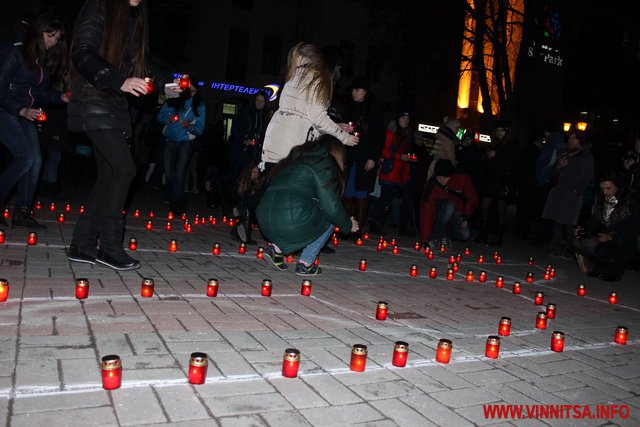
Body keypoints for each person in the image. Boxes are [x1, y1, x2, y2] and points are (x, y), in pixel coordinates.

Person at [67, 0, 177, 270]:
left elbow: (139, 64)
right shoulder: (100, 6)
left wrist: (169, 81)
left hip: (113, 105)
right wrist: (118, 80)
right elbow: (82, 53)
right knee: (124, 169)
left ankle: (81, 244)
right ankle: (109, 246)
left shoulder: (134, 17)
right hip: (93, 100)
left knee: (109, 174)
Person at [0, 13, 69, 228]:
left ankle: (22, 212)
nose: (52, 42)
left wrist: (61, 97)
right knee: (25, 158)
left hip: (23, 112)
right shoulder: (14, 51)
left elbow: (39, 93)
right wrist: (20, 110)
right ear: (39, 32)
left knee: (36, 160)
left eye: (57, 39)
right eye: (50, 36)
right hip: (5, 110)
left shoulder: (40, 60)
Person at [256, 135, 358, 275]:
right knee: (330, 216)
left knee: (295, 209)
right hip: (290, 218)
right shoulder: (325, 163)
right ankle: (306, 263)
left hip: (264, 218)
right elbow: (331, 207)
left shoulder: (294, 159)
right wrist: (347, 224)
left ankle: (276, 249)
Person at [260, 42, 358, 172]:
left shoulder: (297, 74)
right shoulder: (319, 78)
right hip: (293, 148)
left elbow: (301, 114)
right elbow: (317, 118)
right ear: (334, 65)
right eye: (340, 68)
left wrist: (335, 126)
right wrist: (346, 138)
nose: (340, 73)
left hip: (276, 141)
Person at [573, 171, 639, 281]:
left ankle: (614, 268)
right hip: (605, 236)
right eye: (603, 188)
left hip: (623, 240)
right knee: (577, 242)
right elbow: (595, 219)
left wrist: (612, 236)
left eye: (609, 188)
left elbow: (633, 227)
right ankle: (599, 265)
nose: (605, 192)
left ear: (618, 186)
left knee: (601, 246)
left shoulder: (631, 202)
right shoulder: (603, 200)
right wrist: (582, 229)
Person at [343, 77, 386, 235]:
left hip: (365, 155)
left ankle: (358, 229)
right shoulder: (349, 108)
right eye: (353, 90)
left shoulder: (374, 110)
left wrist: (373, 158)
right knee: (348, 190)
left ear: (365, 92)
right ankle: (347, 226)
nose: (355, 93)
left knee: (361, 191)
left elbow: (380, 136)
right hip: (350, 154)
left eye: (358, 90)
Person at [542, 131, 594, 259]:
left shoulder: (586, 156)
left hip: (573, 193)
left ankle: (569, 249)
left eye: (574, 139)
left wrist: (578, 190)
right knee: (557, 221)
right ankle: (556, 248)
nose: (571, 141)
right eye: (570, 138)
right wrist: (560, 166)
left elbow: (589, 176)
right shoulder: (565, 153)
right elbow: (554, 173)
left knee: (570, 222)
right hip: (561, 191)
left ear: (580, 141)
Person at [157, 84, 205, 214]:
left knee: (180, 172)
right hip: (170, 140)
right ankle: (178, 196)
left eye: (193, 91)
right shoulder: (172, 101)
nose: (190, 93)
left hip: (186, 142)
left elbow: (200, 128)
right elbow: (159, 117)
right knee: (168, 172)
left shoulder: (199, 106)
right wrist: (169, 119)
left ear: (197, 92)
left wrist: (189, 126)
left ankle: (175, 204)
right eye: (188, 90)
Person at [369, 110, 416, 236]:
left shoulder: (406, 134)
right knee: (385, 199)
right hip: (390, 172)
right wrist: (400, 156)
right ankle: (374, 223)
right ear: (397, 119)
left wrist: (410, 159)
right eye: (403, 118)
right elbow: (383, 151)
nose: (406, 121)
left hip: (401, 174)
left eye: (407, 118)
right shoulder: (390, 133)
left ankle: (402, 225)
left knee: (408, 198)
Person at [475, 121, 518, 246]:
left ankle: (498, 236)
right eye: (498, 130)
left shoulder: (512, 144)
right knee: (485, 205)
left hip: (503, 179)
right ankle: (483, 233)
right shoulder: (494, 143)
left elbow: (512, 162)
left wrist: (497, 155)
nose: (499, 133)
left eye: (502, 130)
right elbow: (487, 162)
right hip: (491, 178)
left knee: (501, 207)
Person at [419, 159, 478, 251]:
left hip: (456, 213)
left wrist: (466, 216)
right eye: (439, 178)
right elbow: (426, 212)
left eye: (445, 178)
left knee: (464, 234)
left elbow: (472, 198)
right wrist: (424, 240)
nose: (442, 181)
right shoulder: (432, 186)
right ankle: (436, 238)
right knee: (448, 206)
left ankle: (445, 236)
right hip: (438, 215)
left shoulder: (462, 178)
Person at [231, 162, 265, 245]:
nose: (256, 175)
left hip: (248, 208)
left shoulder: (257, 183)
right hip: (242, 205)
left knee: (249, 213)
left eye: (257, 173)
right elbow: (240, 196)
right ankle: (244, 236)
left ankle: (237, 233)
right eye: (254, 172)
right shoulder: (243, 182)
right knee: (248, 213)